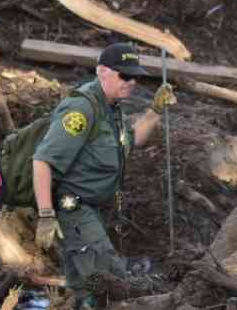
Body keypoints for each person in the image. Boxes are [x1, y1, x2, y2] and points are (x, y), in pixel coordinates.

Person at [32, 42, 176, 310]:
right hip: (74, 208)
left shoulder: (113, 109)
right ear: (102, 72)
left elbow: (133, 141)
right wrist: (46, 214)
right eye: (124, 75)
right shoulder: (81, 109)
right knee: (111, 281)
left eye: (134, 76)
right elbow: (42, 160)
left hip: (95, 210)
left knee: (84, 290)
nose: (131, 82)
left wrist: (156, 110)